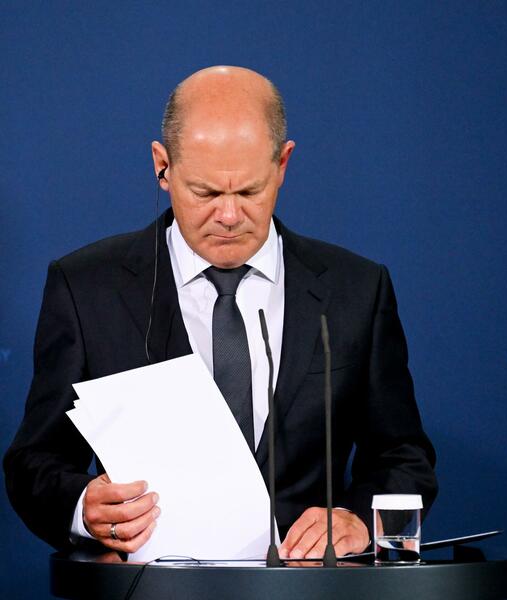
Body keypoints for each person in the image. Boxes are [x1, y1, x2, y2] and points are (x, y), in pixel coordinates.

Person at [4, 66, 437, 560]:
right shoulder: (87, 288)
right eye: (206, 192)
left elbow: (403, 456)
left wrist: (358, 519)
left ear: (283, 164)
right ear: (162, 166)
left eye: (249, 191)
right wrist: (84, 507)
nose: (229, 217)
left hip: (308, 589)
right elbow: (35, 461)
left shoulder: (356, 289)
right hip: (152, 589)